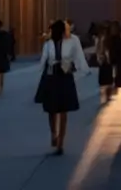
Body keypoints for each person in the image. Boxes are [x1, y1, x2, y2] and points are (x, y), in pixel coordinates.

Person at [36, 19, 89, 155]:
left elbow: (78, 56)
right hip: (51, 76)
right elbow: (43, 59)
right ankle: (53, 132)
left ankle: (61, 141)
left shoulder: (72, 42)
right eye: (65, 29)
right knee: (51, 109)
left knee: (64, 110)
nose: (68, 31)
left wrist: (79, 68)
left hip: (65, 76)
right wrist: (41, 71)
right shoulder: (48, 43)